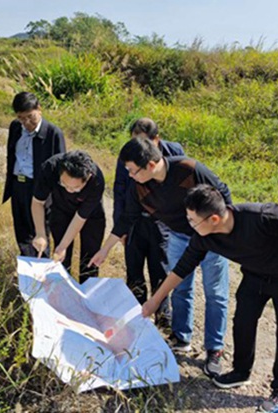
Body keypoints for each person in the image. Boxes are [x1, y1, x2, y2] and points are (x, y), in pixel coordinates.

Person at [142, 184, 278, 412]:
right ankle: (241, 371)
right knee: (243, 322)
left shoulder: (262, 216)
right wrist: (155, 300)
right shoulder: (204, 237)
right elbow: (181, 269)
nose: (190, 224)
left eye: (193, 220)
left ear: (214, 218)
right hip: (254, 277)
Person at [90, 137, 230, 377]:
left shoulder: (189, 169)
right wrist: (105, 249)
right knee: (181, 288)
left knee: (214, 293)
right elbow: (127, 218)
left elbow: (224, 195)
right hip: (179, 237)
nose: (130, 175)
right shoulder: (140, 187)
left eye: (133, 170)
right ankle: (181, 337)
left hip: (211, 237)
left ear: (151, 165)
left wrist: (221, 233)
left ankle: (214, 349)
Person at [113, 118, 185, 329]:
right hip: (134, 220)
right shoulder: (127, 156)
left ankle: (163, 318)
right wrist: (120, 227)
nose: (138, 148)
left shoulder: (175, 152)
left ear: (157, 140)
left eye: (144, 141)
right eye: (135, 141)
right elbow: (119, 190)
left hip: (162, 223)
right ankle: (136, 316)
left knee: (160, 270)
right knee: (134, 269)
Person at [2, 92, 66, 256]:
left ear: (39, 109)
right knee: (22, 230)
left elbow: (61, 169)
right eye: (21, 118)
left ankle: (41, 271)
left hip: (39, 190)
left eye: (30, 117)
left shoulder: (53, 133)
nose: (26, 122)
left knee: (40, 232)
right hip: (18, 185)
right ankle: (26, 267)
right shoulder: (16, 127)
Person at [32, 150, 105, 283]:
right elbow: (37, 202)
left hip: (91, 216)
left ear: (87, 178)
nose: (69, 190)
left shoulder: (97, 180)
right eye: (64, 185)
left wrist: (63, 245)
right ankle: (61, 290)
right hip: (61, 210)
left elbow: (80, 217)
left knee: (90, 258)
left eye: (75, 188)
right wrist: (40, 233)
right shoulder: (50, 167)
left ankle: (86, 293)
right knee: (61, 257)